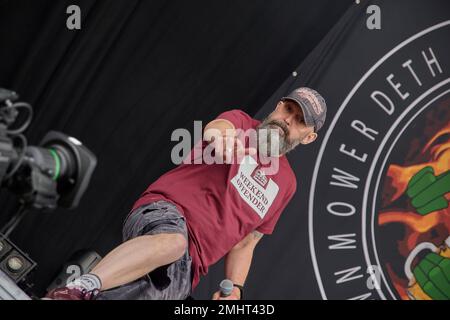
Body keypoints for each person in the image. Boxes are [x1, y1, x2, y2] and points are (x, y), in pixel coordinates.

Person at [45, 87, 327, 300]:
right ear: (278, 106)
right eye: (288, 109)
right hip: (164, 213)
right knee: (173, 243)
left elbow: (245, 244)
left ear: (309, 137)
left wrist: (236, 289)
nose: (288, 120)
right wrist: (225, 142)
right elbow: (217, 130)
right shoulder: (241, 123)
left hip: (192, 266)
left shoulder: (286, 183)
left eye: (300, 120)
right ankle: (78, 288)